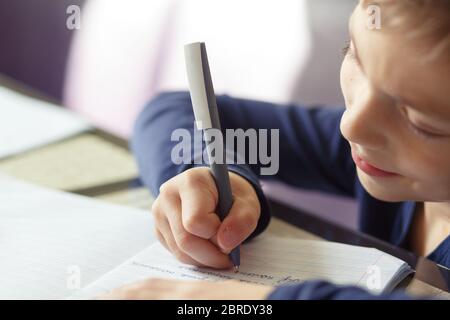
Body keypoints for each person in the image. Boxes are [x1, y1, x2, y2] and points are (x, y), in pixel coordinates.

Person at [104, 0, 450, 299]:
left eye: (423, 123)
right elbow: (173, 111)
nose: (350, 126)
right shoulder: (381, 143)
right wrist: (211, 173)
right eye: (355, 57)